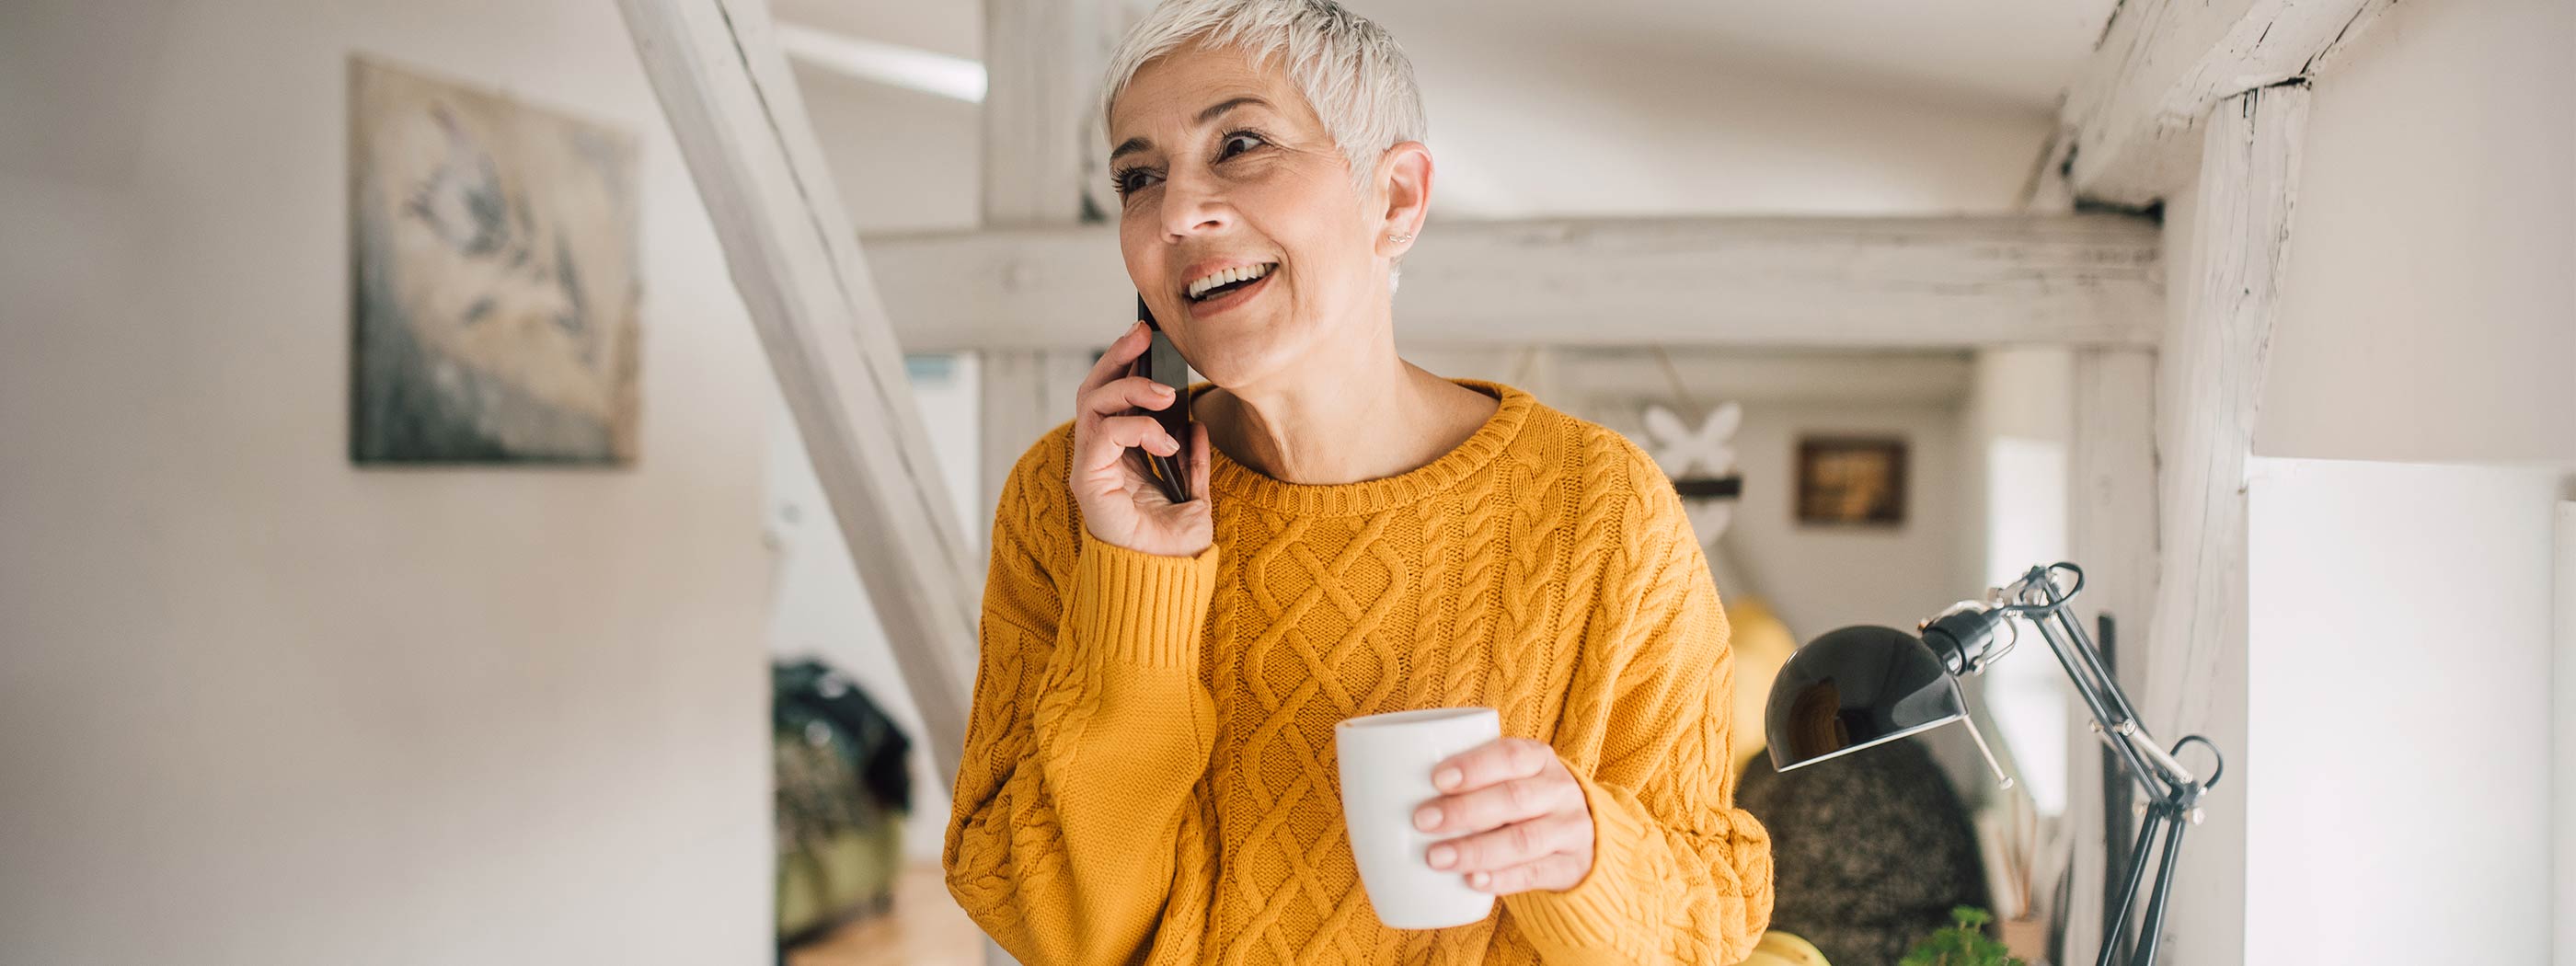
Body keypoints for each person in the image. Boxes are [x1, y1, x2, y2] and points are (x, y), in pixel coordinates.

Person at [943, 2, 1773, 962]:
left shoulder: (1605, 507)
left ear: (1396, 199)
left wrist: (1585, 854)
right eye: (1139, 176)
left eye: (1240, 143)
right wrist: (1136, 585)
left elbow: (1711, 916)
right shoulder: (1070, 495)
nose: (1177, 214)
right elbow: (1049, 922)